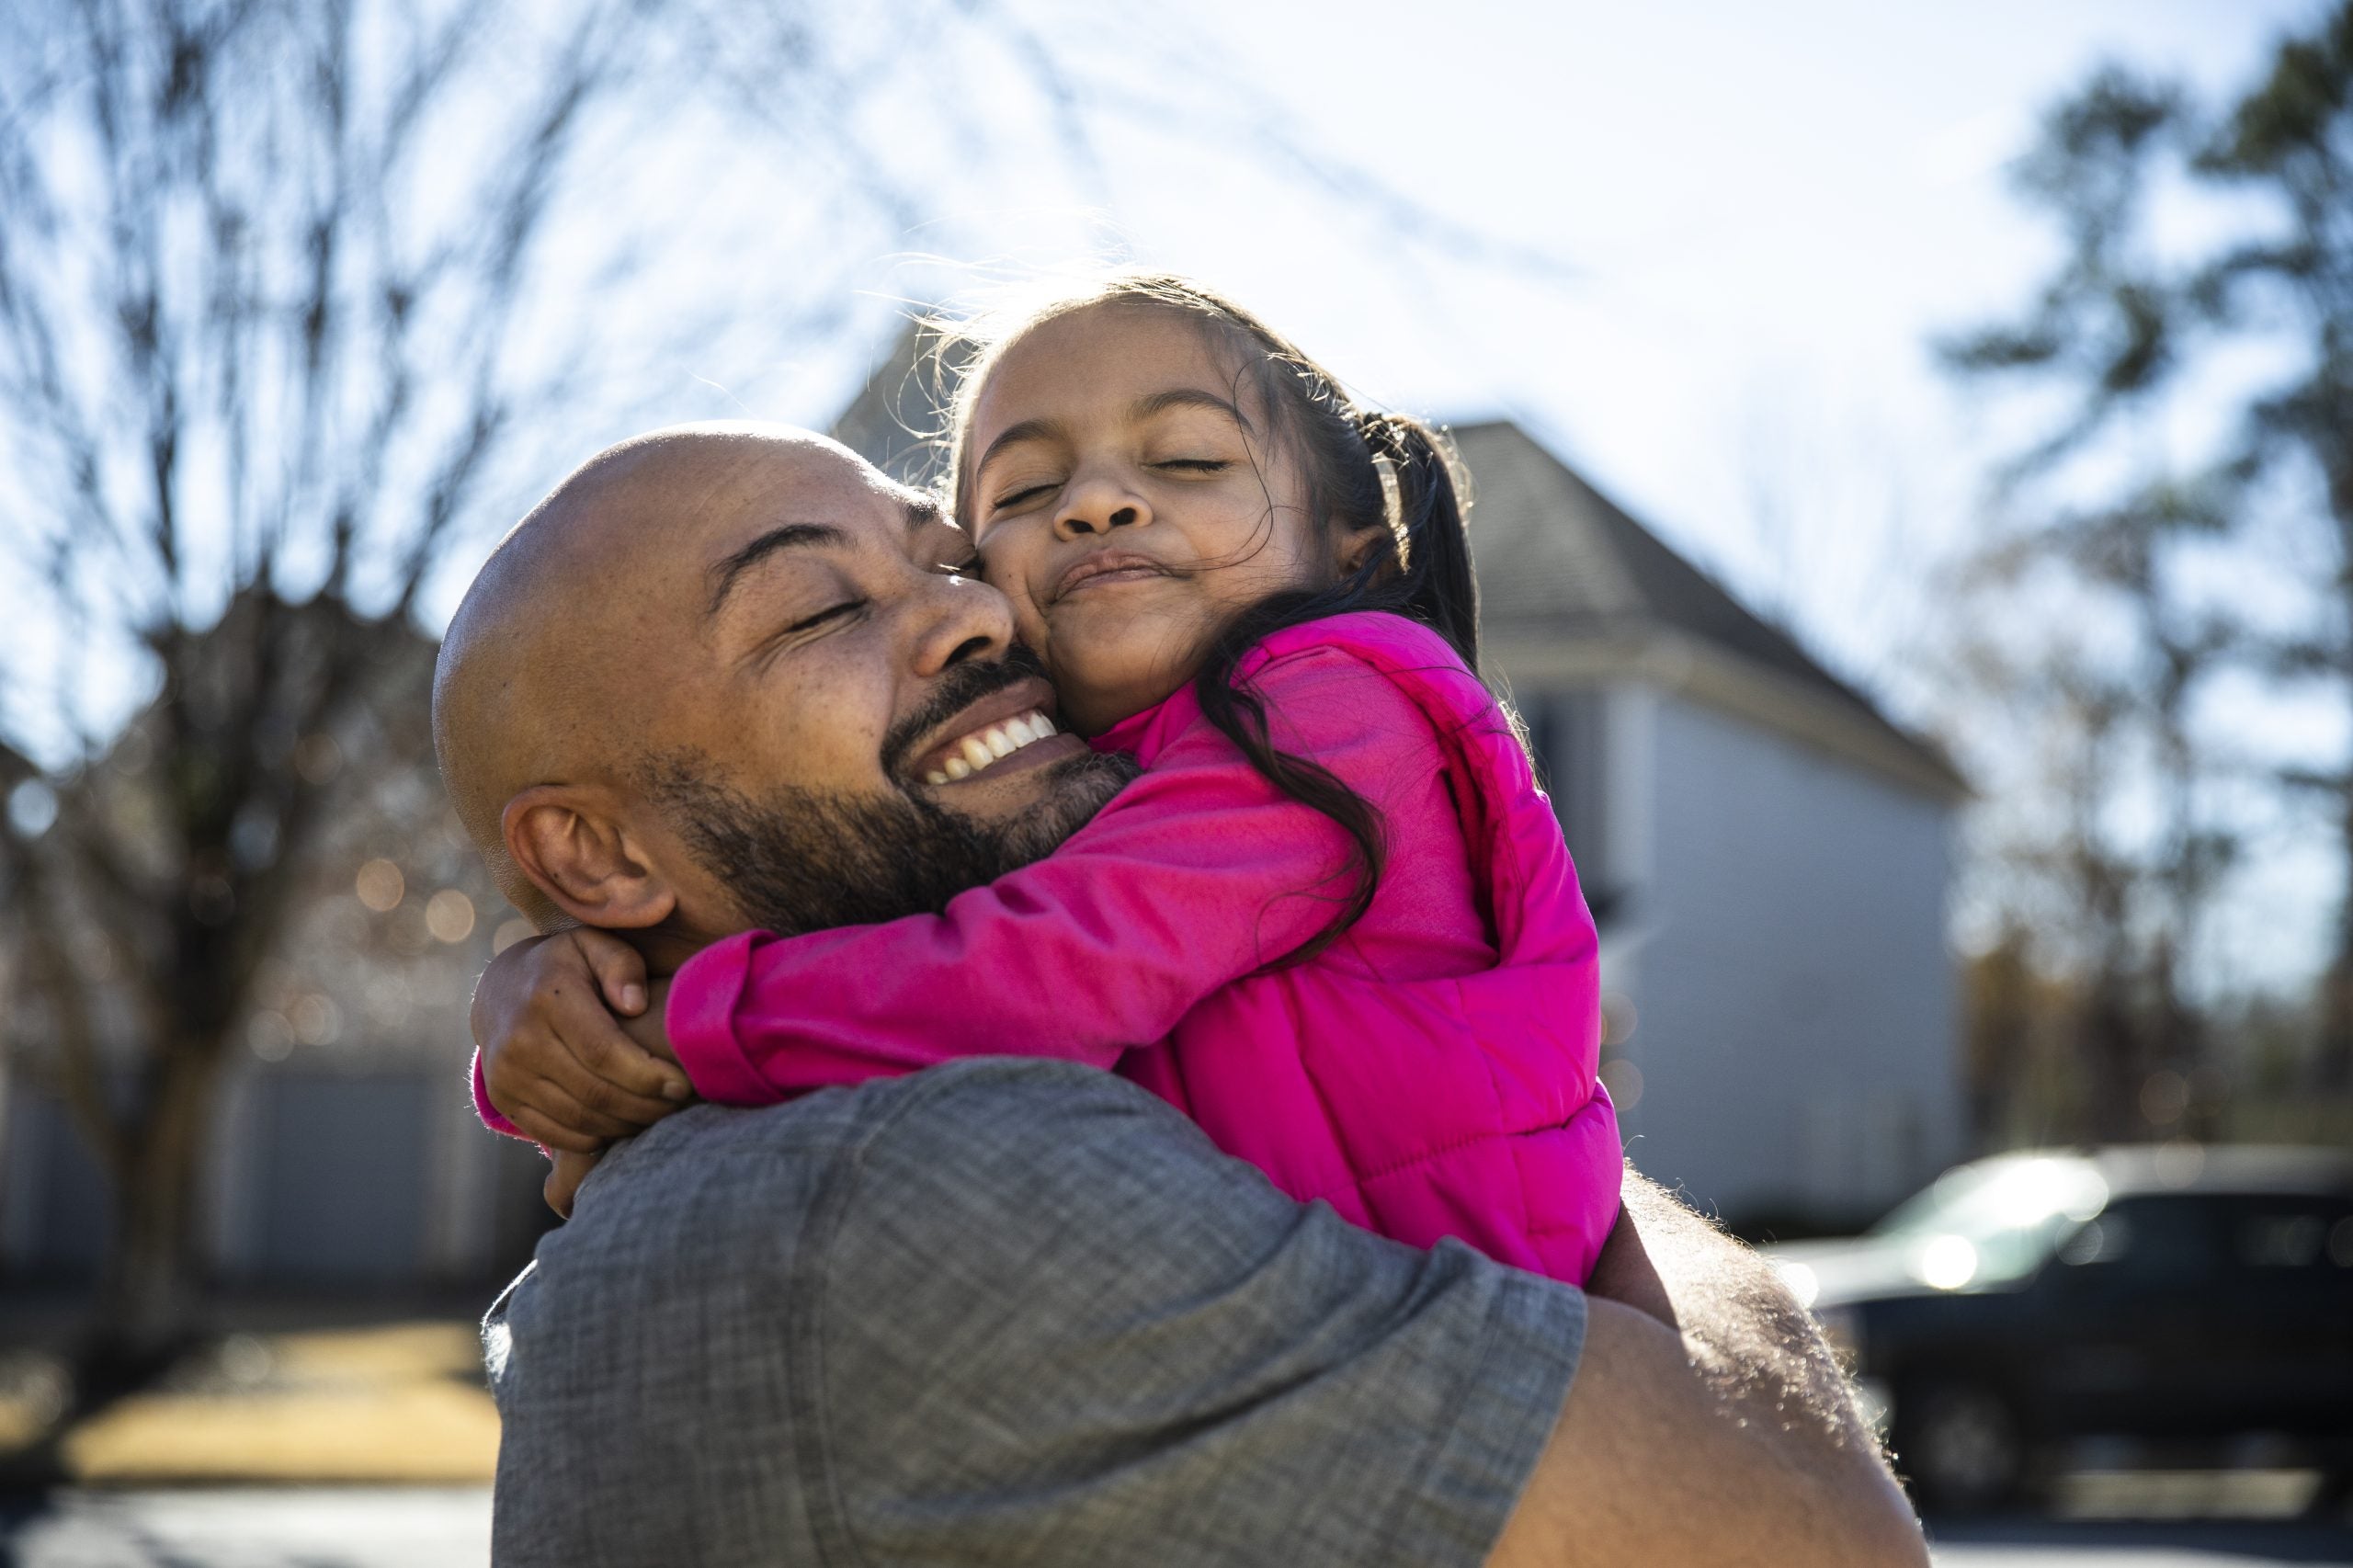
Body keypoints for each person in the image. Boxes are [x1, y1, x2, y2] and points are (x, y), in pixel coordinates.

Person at [434, 422, 1927, 1565]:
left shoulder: (720, 1171)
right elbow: (1815, 1533)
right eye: (821, 611)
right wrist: (1517, 1075)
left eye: (945, 554)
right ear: (595, 856)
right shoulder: (941, 1179)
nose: (978, 615)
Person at [474, 275, 1618, 1282]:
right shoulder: (1083, 778)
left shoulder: (1338, 709)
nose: (1097, 502)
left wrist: (680, 1027)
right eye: (1019, 498)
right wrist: (556, 991)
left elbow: (1040, 967)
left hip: (1468, 1318)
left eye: (1187, 460)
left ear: (1349, 551)